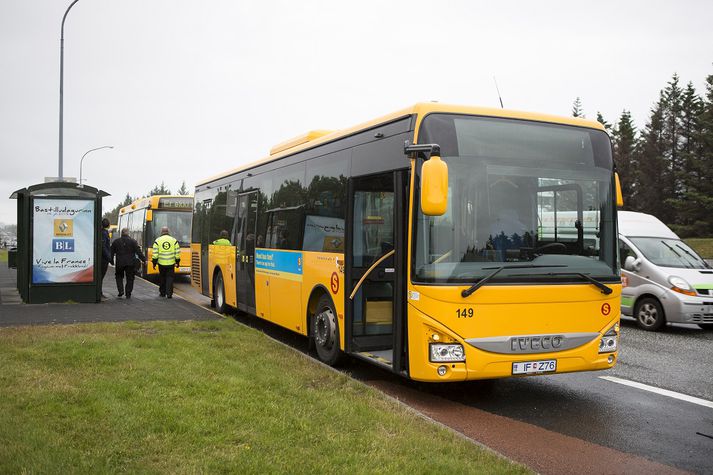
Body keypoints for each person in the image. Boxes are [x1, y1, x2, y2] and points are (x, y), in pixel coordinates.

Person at [110, 228, 146, 299]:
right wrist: (144, 260)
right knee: (130, 278)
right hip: (130, 263)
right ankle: (128, 293)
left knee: (119, 276)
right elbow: (138, 252)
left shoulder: (116, 242)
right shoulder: (133, 241)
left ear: (121, 233)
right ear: (128, 233)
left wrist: (111, 261)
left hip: (120, 263)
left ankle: (121, 291)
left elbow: (111, 252)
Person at [152, 226, 181, 298]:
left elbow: (155, 253)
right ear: (168, 232)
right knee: (170, 278)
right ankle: (169, 294)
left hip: (161, 263)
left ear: (161, 232)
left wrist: (154, 263)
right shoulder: (174, 240)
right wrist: (177, 261)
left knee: (162, 277)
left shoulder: (157, 240)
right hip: (171, 263)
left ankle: (162, 293)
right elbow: (177, 252)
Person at [100, 218, 112, 298]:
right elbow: (103, 246)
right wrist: (109, 257)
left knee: (101, 276)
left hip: (103, 257)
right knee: (101, 276)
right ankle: (99, 293)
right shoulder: (104, 233)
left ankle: (100, 292)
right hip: (103, 259)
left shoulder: (103, 232)